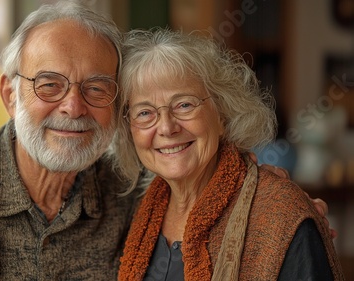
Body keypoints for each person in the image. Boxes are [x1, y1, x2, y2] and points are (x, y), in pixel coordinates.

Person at [0, 1, 335, 280]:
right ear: (9, 94)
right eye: (49, 84)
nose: (73, 107)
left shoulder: (128, 187)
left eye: (95, 88)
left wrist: (270, 202)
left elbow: (214, 185)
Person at [114, 28, 345, 281]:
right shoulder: (134, 211)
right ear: (130, 128)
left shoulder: (278, 214)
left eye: (184, 105)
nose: (167, 127)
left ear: (222, 115)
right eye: (145, 112)